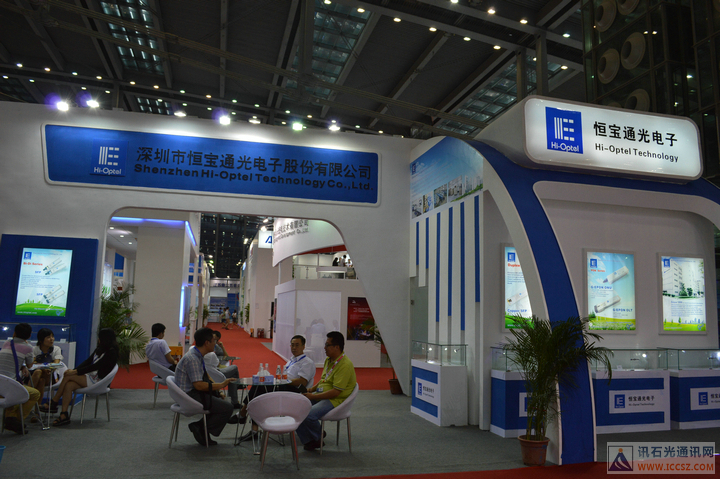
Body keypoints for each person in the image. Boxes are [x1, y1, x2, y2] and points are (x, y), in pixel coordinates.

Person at [235, 335, 315, 432]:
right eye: (292, 345)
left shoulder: (307, 363)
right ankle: (252, 427)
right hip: (284, 386)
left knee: (260, 389)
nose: (294, 348)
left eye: (297, 345)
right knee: (259, 390)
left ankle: (243, 414)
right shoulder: (291, 360)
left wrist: (282, 381)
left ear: (303, 346)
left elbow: (302, 382)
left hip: (295, 391)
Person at [45, 328, 119, 427]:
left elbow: (96, 366)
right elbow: (88, 362)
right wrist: (74, 370)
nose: (98, 339)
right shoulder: (100, 349)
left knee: (67, 376)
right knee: (69, 385)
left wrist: (75, 372)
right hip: (91, 376)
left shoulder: (112, 352)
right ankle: (64, 414)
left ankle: (54, 401)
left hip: (98, 380)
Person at [296, 331, 356, 451]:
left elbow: (336, 392)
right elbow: (324, 379)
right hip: (322, 395)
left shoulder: (344, 365)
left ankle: (318, 436)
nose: (324, 347)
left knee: (309, 415)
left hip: (335, 399)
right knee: (297, 410)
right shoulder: (329, 360)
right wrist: (311, 390)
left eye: (327, 345)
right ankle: (310, 440)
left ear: (337, 347)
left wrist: (313, 396)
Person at [174, 327, 235, 446]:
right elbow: (199, 385)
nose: (215, 344)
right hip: (190, 395)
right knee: (227, 408)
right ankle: (200, 427)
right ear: (207, 343)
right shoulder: (193, 358)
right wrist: (222, 384)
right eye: (214, 341)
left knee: (219, 401)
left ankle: (201, 428)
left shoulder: (197, 354)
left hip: (192, 392)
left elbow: (205, 376)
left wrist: (217, 390)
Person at [0, 323, 41, 434]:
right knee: (35, 394)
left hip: (2, 385)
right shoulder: (28, 347)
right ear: (29, 336)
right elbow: (30, 365)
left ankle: (11, 418)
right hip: (7, 388)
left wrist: (22, 366)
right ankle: (16, 421)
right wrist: (25, 365)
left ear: (14, 333)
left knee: (16, 391)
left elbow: (10, 358)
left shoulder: (7, 343)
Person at [31, 327, 63, 396]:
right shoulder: (34, 349)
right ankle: (36, 403)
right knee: (41, 380)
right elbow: (32, 364)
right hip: (35, 374)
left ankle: (27, 396)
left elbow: (56, 364)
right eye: (48, 337)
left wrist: (46, 369)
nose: (52, 339)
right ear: (41, 340)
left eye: (52, 336)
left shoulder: (56, 349)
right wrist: (44, 369)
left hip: (50, 375)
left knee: (39, 372)